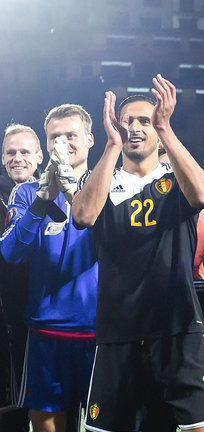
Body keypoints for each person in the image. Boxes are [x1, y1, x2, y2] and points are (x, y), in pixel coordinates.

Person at [72, 75, 204, 432]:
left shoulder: (176, 178)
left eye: (145, 121)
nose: (135, 127)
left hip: (177, 329)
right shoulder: (100, 181)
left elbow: (202, 196)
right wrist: (110, 145)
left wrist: (167, 128)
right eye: (127, 121)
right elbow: (82, 216)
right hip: (117, 333)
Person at [1, 105, 99, 432]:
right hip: (45, 334)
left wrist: (73, 194)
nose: (63, 142)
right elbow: (11, 253)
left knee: (106, 424)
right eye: (55, 136)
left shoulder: (108, 186)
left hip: (100, 333)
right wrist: (44, 199)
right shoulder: (28, 193)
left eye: (71, 135)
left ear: (89, 139)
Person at [0, 124, 45, 432]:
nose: (18, 158)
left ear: (39, 156)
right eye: (11, 152)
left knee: (51, 404)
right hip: (8, 316)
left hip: (45, 315)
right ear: (3, 158)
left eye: (25, 152)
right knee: (12, 404)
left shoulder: (58, 194)